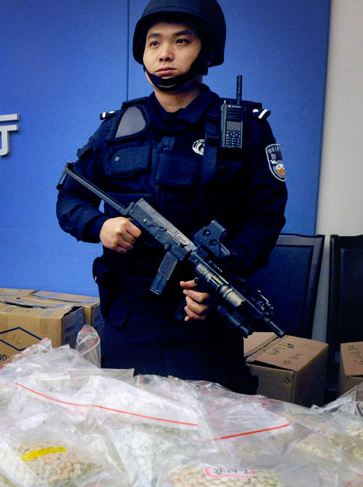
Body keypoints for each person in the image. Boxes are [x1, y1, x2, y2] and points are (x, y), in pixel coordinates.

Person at [56, 0, 287, 394]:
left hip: (205, 315)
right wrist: (100, 226)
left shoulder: (242, 128)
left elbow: (266, 216)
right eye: (153, 43)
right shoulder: (116, 128)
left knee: (207, 441)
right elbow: (70, 199)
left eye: (181, 41)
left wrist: (219, 282)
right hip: (128, 316)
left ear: (207, 51)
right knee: (127, 428)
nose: (164, 53)